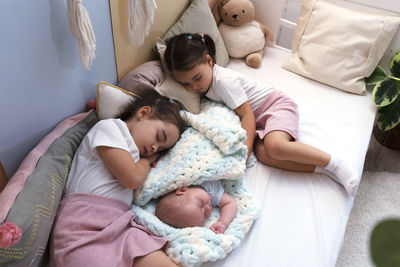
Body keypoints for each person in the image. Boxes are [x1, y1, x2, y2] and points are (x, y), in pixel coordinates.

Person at [163, 33, 359, 196]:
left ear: (209, 61)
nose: (193, 87)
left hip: (276, 106)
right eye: (186, 84)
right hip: (261, 118)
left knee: (275, 146)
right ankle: (323, 169)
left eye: (197, 78)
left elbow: (247, 115)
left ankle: (335, 163)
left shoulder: (224, 81)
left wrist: (245, 153)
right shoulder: (204, 84)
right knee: (265, 155)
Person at [50, 91, 186, 267]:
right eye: (158, 137)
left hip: (120, 226)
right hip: (83, 226)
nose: (155, 148)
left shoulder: (135, 155)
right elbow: (132, 179)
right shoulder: (110, 129)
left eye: (160, 149)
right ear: (143, 113)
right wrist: (145, 163)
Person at [155, 180, 237, 234]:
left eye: (200, 203)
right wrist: (222, 223)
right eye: (205, 215)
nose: (208, 208)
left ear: (182, 190)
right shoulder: (213, 192)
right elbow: (230, 203)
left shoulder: (180, 179)